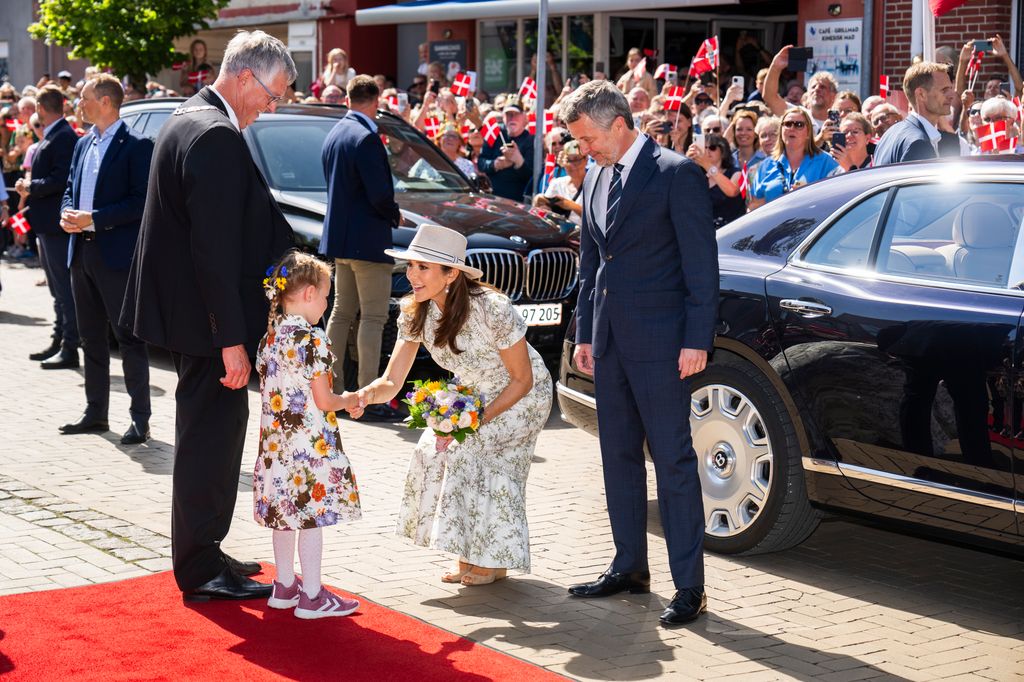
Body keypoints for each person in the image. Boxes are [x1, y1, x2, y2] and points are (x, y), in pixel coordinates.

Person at [122, 30, 296, 601]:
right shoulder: (214, 133)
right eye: (273, 95)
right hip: (207, 325)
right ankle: (199, 568)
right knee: (210, 443)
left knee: (215, 437)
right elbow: (213, 250)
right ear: (244, 76)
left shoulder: (189, 116)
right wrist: (231, 339)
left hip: (191, 316)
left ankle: (207, 549)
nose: (273, 108)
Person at [560, 80, 716, 628]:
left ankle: (689, 586)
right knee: (617, 457)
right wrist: (583, 333)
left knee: (672, 461)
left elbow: (701, 265)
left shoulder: (677, 174)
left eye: (588, 139)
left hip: (663, 345)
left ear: (618, 124)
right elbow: (591, 265)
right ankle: (629, 565)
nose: (585, 151)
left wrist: (697, 339)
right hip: (607, 343)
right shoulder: (598, 175)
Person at [355, 223, 552, 586]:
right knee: (433, 450)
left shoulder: (492, 307)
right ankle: (473, 555)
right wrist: (362, 397)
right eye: (410, 265)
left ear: (451, 273)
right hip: (472, 394)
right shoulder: (414, 311)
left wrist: (474, 421)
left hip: (523, 393)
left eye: (423, 267)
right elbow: (391, 381)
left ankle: (489, 560)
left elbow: (522, 379)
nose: (412, 275)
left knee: (473, 450)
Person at [255, 251, 364, 618]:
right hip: (308, 448)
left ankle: (284, 586)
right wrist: (352, 400)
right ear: (308, 294)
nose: (327, 303)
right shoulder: (313, 340)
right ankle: (313, 596)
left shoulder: (270, 339)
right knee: (312, 516)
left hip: (275, 449)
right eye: (326, 295)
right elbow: (324, 399)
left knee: (285, 516)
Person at [57, 74, 154, 444]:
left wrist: (94, 218)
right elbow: (69, 188)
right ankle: (95, 412)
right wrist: (67, 213)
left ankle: (140, 418)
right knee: (90, 337)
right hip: (81, 252)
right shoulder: (83, 145)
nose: (79, 104)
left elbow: (139, 201)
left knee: (128, 338)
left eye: (84, 98)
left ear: (107, 102)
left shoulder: (136, 146)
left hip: (115, 255)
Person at [320, 75, 402, 419]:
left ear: (349, 97)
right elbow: (380, 193)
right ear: (376, 99)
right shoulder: (366, 137)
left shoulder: (335, 133)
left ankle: (333, 392)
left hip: (341, 239)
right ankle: (366, 398)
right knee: (372, 317)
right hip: (368, 240)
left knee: (340, 314)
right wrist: (394, 214)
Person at [15, 86, 79, 369]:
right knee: (56, 289)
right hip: (46, 224)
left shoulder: (63, 136)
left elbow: (60, 179)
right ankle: (59, 339)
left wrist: (30, 186)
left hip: (55, 226)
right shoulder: (55, 134)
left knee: (64, 289)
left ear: (41, 108)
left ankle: (70, 346)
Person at [748, 107, 838, 209]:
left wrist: (809, 197)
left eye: (799, 125)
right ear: (781, 131)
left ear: (808, 132)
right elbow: (755, 206)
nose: (792, 128)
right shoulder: (766, 165)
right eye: (787, 124)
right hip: (775, 223)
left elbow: (836, 201)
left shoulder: (827, 162)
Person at [873, 62, 957, 166]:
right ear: (921, 94)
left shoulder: (890, 134)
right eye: (944, 90)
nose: (951, 95)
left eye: (950, 89)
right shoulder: (918, 143)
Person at [477, 95, 534, 202]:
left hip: (519, 200)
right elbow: (481, 163)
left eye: (516, 114)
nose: (512, 118)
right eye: (508, 114)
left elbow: (532, 178)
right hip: (493, 197)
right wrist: (496, 164)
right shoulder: (495, 133)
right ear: (503, 117)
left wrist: (519, 161)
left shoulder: (531, 140)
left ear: (524, 117)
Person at [687, 133, 746, 228]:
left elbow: (732, 191)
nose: (707, 151)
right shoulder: (698, 175)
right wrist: (687, 162)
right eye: (704, 148)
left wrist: (708, 166)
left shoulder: (736, 173)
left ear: (723, 151)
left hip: (733, 230)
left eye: (712, 147)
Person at [534, 139, 587, 225]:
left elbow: (598, 218)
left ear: (586, 160)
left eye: (576, 159)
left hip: (581, 236)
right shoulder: (557, 183)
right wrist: (539, 202)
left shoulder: (594, 185)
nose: (572, 165)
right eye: (568, 160)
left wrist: (571, 206)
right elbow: (545, 212)